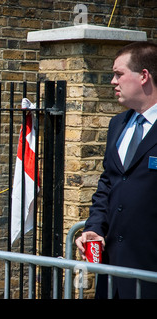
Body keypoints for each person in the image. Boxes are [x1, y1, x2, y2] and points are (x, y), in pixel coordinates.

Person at [75, 41, 157, 299]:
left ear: (144, 76)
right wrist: (94, 228)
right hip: (112, 272)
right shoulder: (117, 124)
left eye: (119, 74)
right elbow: (107, 184)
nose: (113, 81)